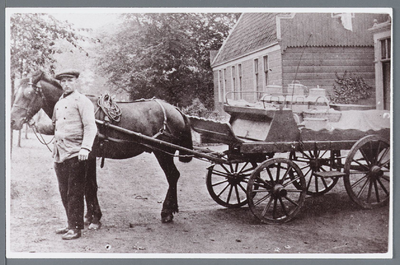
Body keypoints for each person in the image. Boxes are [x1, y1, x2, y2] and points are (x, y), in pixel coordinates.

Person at [50, 69, 98, 240]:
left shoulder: (83, 101)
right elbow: (54, 126)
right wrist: (36, 124)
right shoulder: (58, 103)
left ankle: (76, 228)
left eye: (69, 80)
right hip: (60, 153)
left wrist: (85, 148)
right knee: (64, 191)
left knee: (75, 192)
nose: (66, 84)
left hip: (76, 154)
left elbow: (90, 127)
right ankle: (70, 223)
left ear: (76, 81)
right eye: (63, 81)